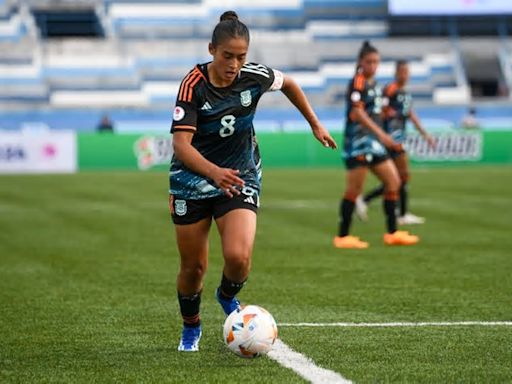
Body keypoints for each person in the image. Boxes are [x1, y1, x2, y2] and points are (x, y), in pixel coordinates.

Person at [169, 11, 337, 352]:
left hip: (241, 173)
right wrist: (213, 172)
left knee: (239, 257)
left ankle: (226, 296)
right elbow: (180, 146)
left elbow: (289, 83)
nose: (234, 64)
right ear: (212, 50)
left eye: (241, 56)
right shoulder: (193, 85)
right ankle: (191, 327)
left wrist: (314, 123)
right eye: (227, 56)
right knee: (193, 266)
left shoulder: (254, 76)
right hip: (191, 181)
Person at [333, 41, 419, 249]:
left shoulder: (375, 86)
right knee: (354, 190)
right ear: (361, 62)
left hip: (375, 145)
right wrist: (383, 134)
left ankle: (392, 233)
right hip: (358, 144)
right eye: (369, 61)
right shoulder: (358, 82)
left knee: (394, 182)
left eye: (376, 62)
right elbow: (357, 113)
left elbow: (378, 113)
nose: (373, 66)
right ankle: (343, 237)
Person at [357, 60, 435, 225]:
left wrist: (425, 134)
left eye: (407, 72)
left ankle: (366, 200)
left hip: (399, 138)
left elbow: (410, 114)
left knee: (398, 178)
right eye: (403, 72)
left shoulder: (405, 93)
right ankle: (401, 214)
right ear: (397, 73)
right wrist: (383, 129)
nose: (405, 75)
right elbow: (379, 110)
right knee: (402, 176)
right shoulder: (390, 89)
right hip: (391, 140)